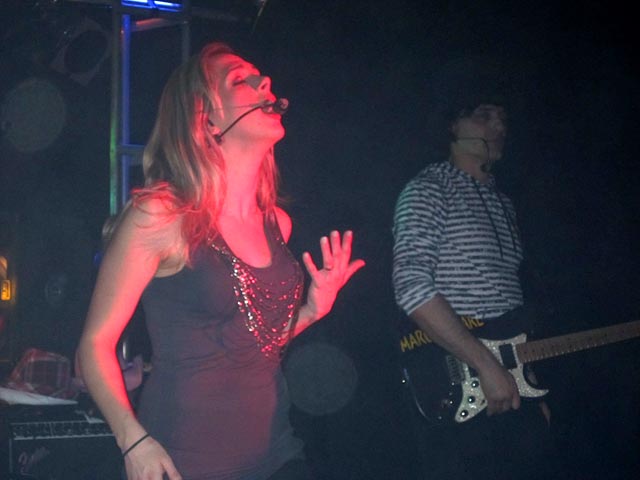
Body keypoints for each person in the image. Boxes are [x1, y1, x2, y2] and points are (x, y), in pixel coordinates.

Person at [76, 41, 365, 480]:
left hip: (276, 455)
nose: (264, 82)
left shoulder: (278, 223)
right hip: (185, 462)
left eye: (259, 75)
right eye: (240, 80)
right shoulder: (161, 217)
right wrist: (133, 441)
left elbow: (250, 346)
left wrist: (311, 311)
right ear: (206, 119)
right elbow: (95, 345)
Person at [392, 88, 558, 479]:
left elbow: (510, 303)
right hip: (462, 380)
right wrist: (484, 364)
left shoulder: (503, 201)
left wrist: (529, 382)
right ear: (452, 125)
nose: (498, 125)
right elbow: (411, 285)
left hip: (510, 381)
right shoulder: (428, 188)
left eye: (502, 118)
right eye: (484, 115)